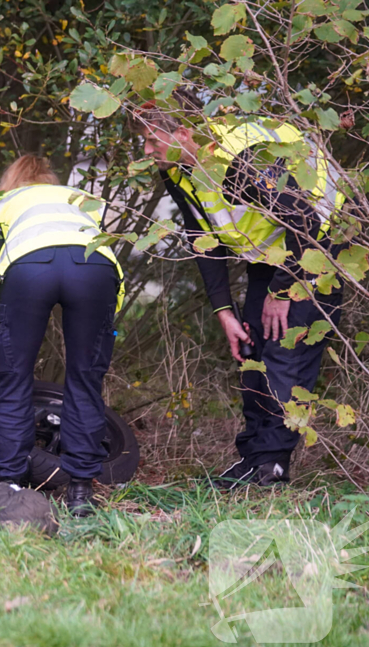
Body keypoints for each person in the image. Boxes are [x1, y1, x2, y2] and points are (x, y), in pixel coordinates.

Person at [132, 92, 346, 489]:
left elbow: (303, 219)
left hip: (318, 250)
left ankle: (272, 468)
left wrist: (284, 293)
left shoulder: (240, 160)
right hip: (270, 255)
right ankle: (253, 458)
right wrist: (224, 312)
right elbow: (202, 236)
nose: (146, 151)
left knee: (285, 353)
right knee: (253, 353)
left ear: (181, 132)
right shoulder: (179, 168)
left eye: (151, 140)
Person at [0, 155, 124, 516]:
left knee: (14, 379)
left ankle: (7, 486)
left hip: (28, 267)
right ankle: (80, 491)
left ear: (11, 180)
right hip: (94, 267)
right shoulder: (80, 201)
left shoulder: (2, 204)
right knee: (86, 378)